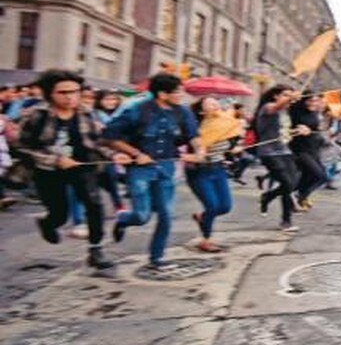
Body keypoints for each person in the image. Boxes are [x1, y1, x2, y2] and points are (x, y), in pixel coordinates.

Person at [20, 69, 130, 270]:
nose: (70, 97)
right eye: (63, 92)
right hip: (48, 170)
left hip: (83, 166)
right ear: (49, 93)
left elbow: (97, 142)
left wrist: (114, 155)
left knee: (95, 205)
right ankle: (48, 223)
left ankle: (96, 249)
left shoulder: (85, 112)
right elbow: (21, 147)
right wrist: (55, 159)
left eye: (75, 91)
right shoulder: (36, 115)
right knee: (60, 212)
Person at [103, 73, 203, 269]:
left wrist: (199, 151)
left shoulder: (183, 112)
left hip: (166, 168)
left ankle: (156, 258)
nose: (181, 95)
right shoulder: (135, 110)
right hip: (140, 170)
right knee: (142, 216)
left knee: (166, 214)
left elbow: (194, 136)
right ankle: (123, 219)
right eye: (177, 92)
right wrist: (135, 153)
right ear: (162, 94)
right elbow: (109, 137)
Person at [185, 97, 242, 252]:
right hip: (199, 171)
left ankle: (202, 217)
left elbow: (230, 143)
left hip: (218, 169)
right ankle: (205, 239)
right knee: (212, 206)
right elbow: (191, 149)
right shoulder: (195, 129)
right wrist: (192, 155)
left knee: (225, 207)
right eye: (210, 103)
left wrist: (233, 149)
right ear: (202, 111)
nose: (216, 104)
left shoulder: (224, 124)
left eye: (216, 102)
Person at [254, 85, 309, 232]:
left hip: (284, 150)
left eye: (290, 95)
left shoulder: (284, 112)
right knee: (287, 183)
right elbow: (275, 108)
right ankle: (284, 218)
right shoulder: (267, 107)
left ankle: (272, 202)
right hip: (269, 152)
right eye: (285, 94)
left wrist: (298, 130)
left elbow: (282, 131)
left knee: (292, 184)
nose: (288, 98)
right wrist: (291, 98)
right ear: (275, 96)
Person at [289, 93, 328, 210]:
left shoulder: (315, 113)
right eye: (310, 101)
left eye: (315, 101)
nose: (313, 103)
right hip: (299, 148)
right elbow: (286, 128)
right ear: (304, 100)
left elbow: (315, 128)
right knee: (318, 174)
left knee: (321, 176)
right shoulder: (295, 111)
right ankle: (297, 195)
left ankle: (299, 194)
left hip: (313, 148)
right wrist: (297, 130)